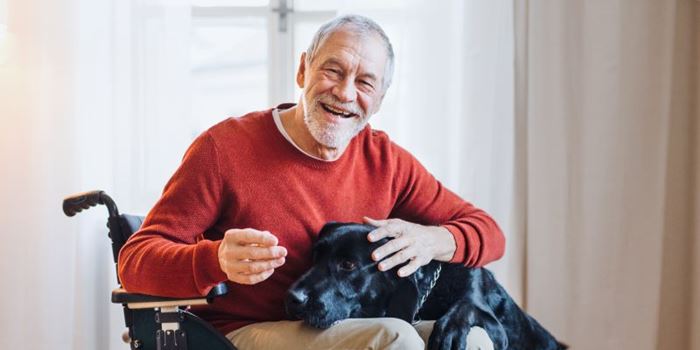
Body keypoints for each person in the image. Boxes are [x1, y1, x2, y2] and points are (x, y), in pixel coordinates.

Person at [118, 14, 505, 350]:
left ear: (381, 99)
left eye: (365, 82)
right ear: (303, 70)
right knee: (395, 338)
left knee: (472, 340)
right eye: (332, 70)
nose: (345, 93)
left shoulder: (386, 161)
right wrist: (213, 259)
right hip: (242, 335)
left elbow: (489, 234)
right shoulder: (223, 148)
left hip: (346, 327)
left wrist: (430, 240)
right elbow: (135, 261)